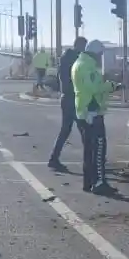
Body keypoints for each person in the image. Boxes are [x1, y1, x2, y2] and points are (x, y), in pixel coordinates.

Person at [72, 39, 119, 195]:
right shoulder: (87, 67)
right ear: (96, 53)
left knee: (89, 150)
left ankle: (89, 182)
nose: (101, 58)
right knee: (98, 149)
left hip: (84, 112)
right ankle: (99, 183)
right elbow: (94, 88)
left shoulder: (81, 63)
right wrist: (111, 86)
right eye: (100, 54)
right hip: (91, 112)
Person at [48, 37, 88, 172]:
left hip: (67, 96)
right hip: (73, 97)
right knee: (84, 129)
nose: (84, 48)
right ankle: (90, 160)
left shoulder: (65, 57)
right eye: (83, 46)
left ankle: (54, 158)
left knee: (66, 130)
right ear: (79, 45)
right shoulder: (76, 59)